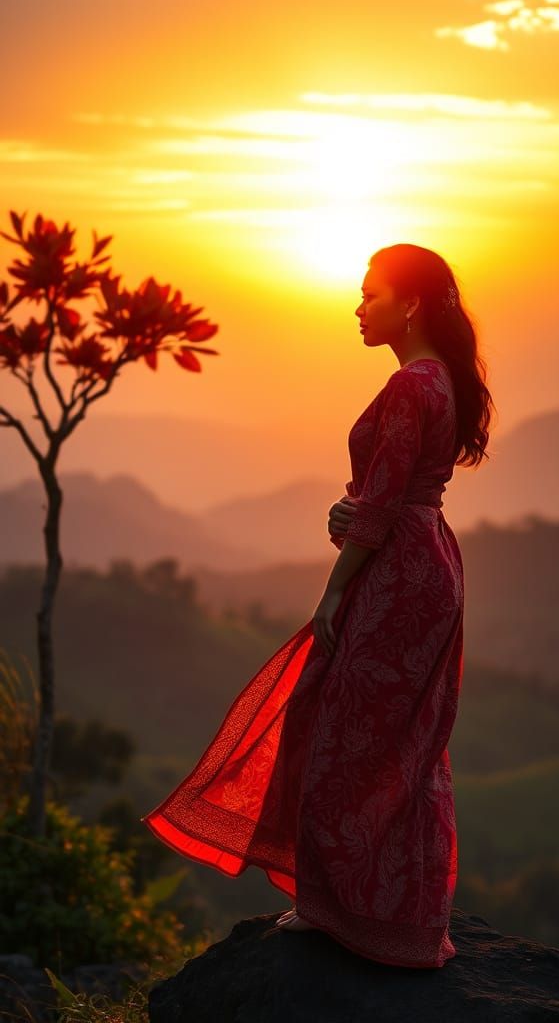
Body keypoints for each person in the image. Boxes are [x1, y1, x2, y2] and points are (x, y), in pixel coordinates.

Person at [140, 242, 495, 969]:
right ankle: (376, 910)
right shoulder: (441, 381)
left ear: (412, 303)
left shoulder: (411, 386)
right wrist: (354, 512)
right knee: (400, 742)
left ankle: (343, 907)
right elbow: (393, 493)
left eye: (371, 294)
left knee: (340, 728)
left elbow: (387, 497)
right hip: (429, 565)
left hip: (398, 577)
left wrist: (336, 583)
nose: (358, 307)